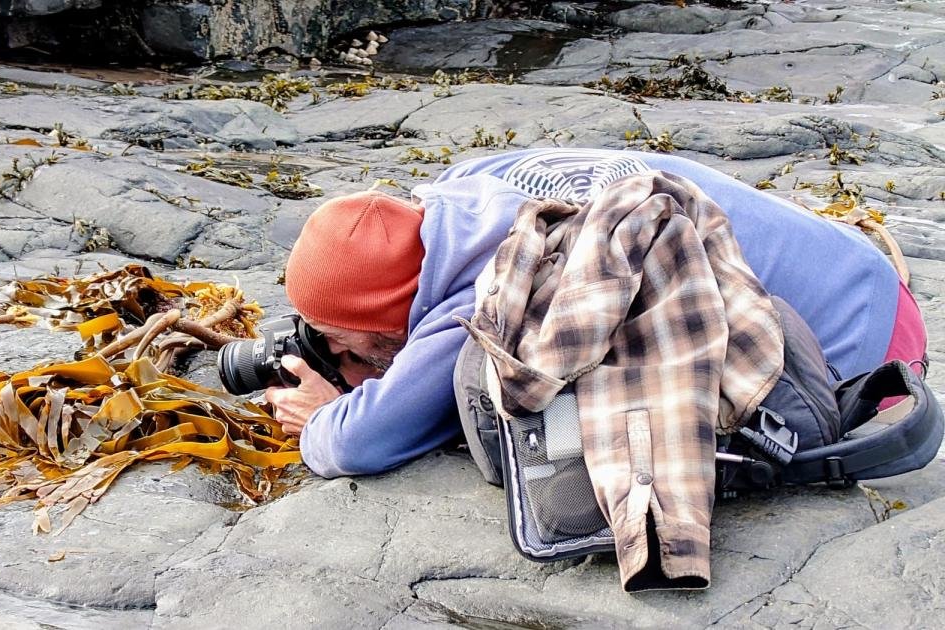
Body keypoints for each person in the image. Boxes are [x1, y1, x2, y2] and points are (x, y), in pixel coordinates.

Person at [266, 148, 928, 478]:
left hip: (865, 356)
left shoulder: (487, 286)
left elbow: (358, 443)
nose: (345, 358)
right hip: (861, 268)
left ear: (390, 314)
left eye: (346, 344)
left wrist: (322, 413)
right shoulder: (470, 183)